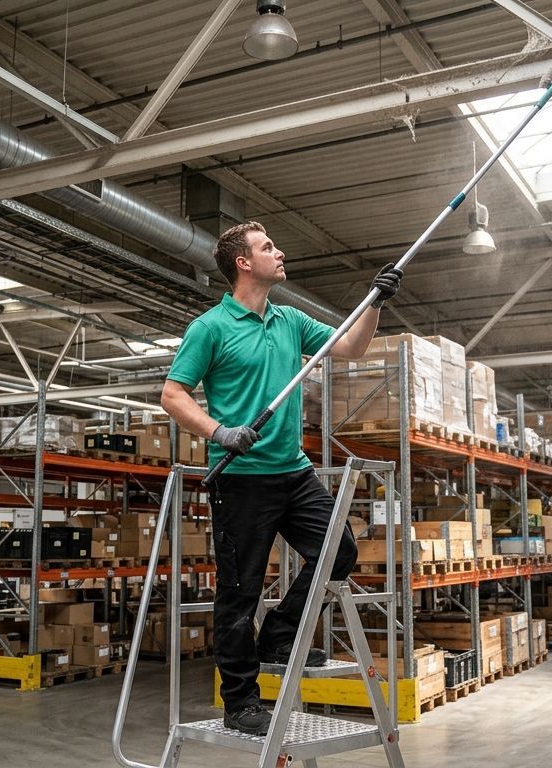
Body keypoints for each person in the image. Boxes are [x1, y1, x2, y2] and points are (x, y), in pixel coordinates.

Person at [162, 221, 401, 736]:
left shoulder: (290, 319)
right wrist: (219, 431)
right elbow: (173, 395)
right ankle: (240, 700)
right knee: (239, 592)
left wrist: (375, 304)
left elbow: (351, 348)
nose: (280, 252)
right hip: (241, 478)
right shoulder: (211, 327)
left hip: (293, 473)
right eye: (268, 247)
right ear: (243, 263)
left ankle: (280, 632)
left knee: (339, 553)